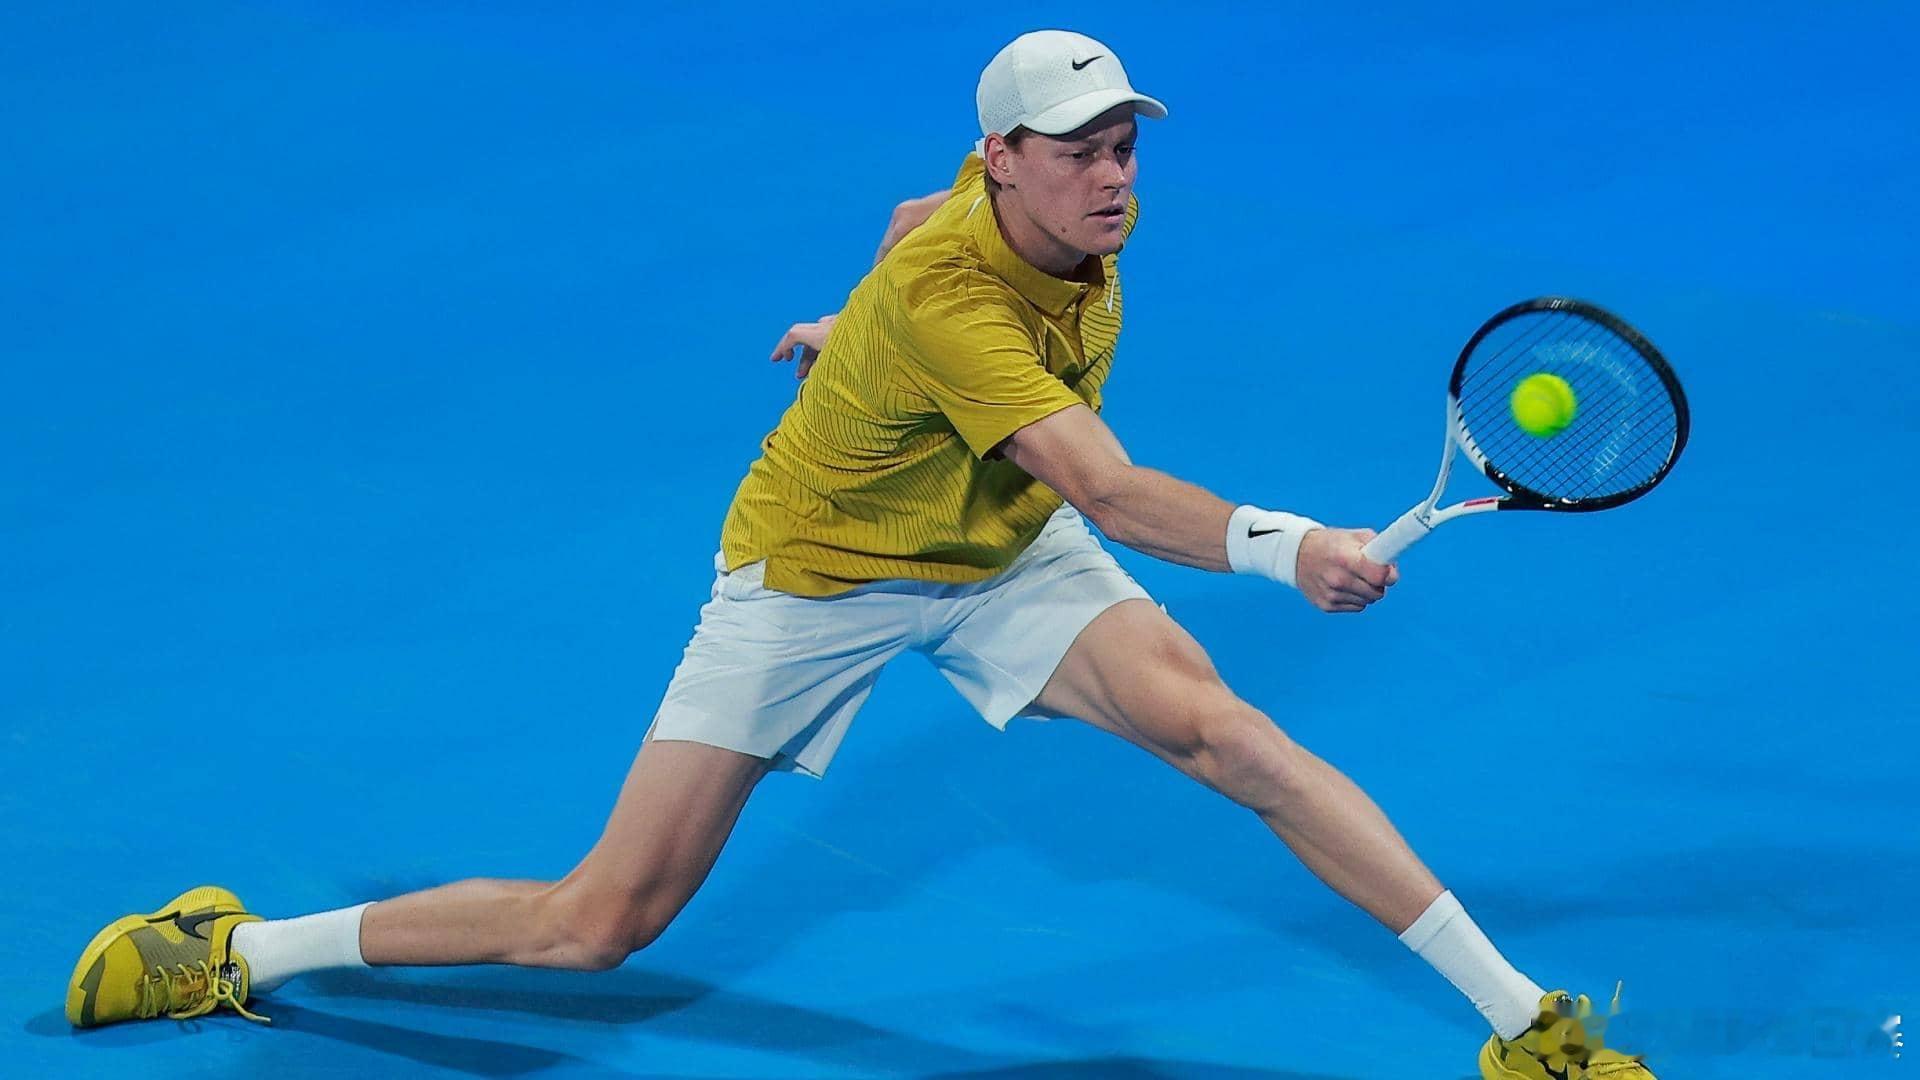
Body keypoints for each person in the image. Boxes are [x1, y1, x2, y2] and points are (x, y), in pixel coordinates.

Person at [66, 29, 1654, 1079]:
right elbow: (1108, 491)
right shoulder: (968, 299)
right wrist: (1285, 545)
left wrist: (854, 329)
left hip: (997, 549)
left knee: (1237, 741)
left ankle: (1526, 1027)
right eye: (1079, 150)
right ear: (1006, 158)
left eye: (1124, 143)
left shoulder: (1021, 213)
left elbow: (906, 225)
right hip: (822, 574)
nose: (1113, 175)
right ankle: (239, 945)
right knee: (597, 924)